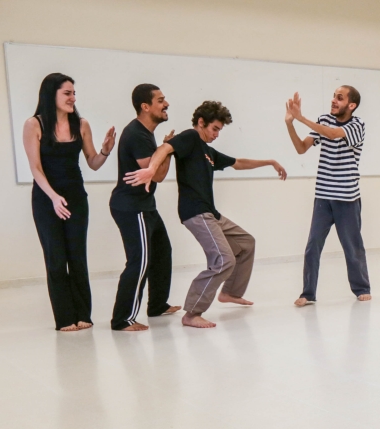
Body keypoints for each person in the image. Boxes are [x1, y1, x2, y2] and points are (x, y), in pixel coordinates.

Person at [125, 101, 287, 328]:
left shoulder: (207, 151)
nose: (217, 134)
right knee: (223, 260)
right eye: (215, 129)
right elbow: (165, 148)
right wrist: (151, 170)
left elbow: (238, 163)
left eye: (220, 130)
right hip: (195, 212)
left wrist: (269, 162)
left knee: (246, 243)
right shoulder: (190, 137)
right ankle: (192, 313)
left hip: (211, 213)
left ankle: (229, 292)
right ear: (201, 123)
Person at [22, 73, 115, 331]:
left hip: (75, 198)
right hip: (46, 200)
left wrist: (106, 150)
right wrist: (53, 197)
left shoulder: (81, 124)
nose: (73, 98)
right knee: (55, 258)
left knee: (77, 257)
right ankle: (64, 319)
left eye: (74, 93)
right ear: (51, 94)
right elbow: (35, 168)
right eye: (67, 93)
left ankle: (83, 314)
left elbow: (93, 163)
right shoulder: (34, 124)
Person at [284, 87, 370, 306]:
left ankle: (362, 288)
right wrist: (290, 123)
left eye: (339, 98)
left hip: (347, 198)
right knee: (313, 245)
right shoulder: (324, 120)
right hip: (323, 196)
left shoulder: (357, 125)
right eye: (334, 96)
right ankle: (308, 293)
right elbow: (302, 148)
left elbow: (332, 134)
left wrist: (301, 117)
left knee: (352, 246)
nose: (333, 100)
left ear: (351, 105)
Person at [108, 84, 181, 331]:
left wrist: (164, 149)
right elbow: (156, 175)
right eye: (161, 100)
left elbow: (156, 169)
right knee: (139, 261)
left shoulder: (145, 133)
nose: (166, 104)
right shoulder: (137, 134)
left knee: (162, 251)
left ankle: (157, 304)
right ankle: (122, 319)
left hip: (144, 204)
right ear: (145, 106)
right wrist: (167, 149)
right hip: (131, 206)